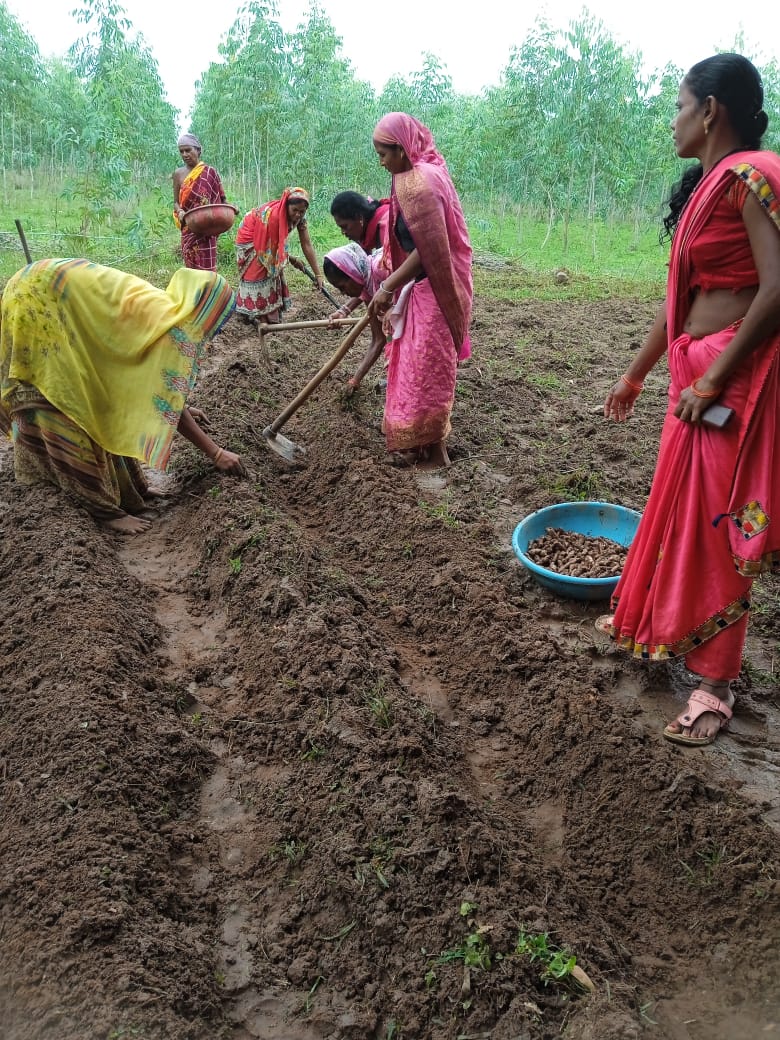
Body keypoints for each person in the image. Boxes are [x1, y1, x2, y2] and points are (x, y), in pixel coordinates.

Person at [601, 54, 780, 747]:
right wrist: (637, 373)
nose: (672, 119)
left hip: (729, 381)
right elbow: (683, 302)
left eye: (679, 105)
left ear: (711, 110)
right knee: (686, 515)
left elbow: (775, 291)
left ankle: (716, 685)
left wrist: (712, 380)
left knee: (718, 528)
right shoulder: (711, 184)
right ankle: (679, 637)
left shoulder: (752, 177)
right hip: (696, 377)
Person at [0, 258, 247, 535]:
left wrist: (182, 404)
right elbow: (162, 403)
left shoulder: (165, 309)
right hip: (38, 302)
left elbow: (154, 389)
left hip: (48, 289)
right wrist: (216, 453)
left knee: (103, 400)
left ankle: (130, 492)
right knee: (64, 401)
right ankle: (103, 511)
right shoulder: (172, 328)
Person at [367, 113, 473, 469]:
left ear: (401, 149)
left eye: (383, 154)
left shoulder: (420, 184)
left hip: (436, 289)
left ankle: (434, 451)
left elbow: (427, 252)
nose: (381, 162)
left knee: (428, 367)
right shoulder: (415, 176)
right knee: (414, 364)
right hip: (421, 287)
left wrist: (387, 286)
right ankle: (418, 444)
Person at [234, 187, 322, 325]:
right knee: (263, 270)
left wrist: (318, 275)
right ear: (287, 206)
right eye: (295, 211)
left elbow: (307, 244)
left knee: (274, 269)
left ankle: (270, 313)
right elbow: (269, 249)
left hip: (267, 243)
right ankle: (256, 313)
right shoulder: (274, 217)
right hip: (251, 238)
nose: (298, 215)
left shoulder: (300, 217)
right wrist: (291, 259)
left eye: (302, 212)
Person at [323, 242, 388, 394]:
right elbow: (379, 339)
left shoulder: (382, 269)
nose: (342, 293)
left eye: (342, 287)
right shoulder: (366, 285)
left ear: (353, 273)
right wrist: (355, 380)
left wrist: (396, 308)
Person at [173, 133, 227, 271]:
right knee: (191, 270)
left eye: (188, 150)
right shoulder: (178, 174)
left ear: (198, 150)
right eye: (181, 151)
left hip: (207, 229)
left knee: (208, 272)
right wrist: (180, 211)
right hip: (189, 227)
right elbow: (176, 202)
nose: (185, 154)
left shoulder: (210, 172)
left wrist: (231, 209)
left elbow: (222, 199)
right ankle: (194, 293)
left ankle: (208, 292)